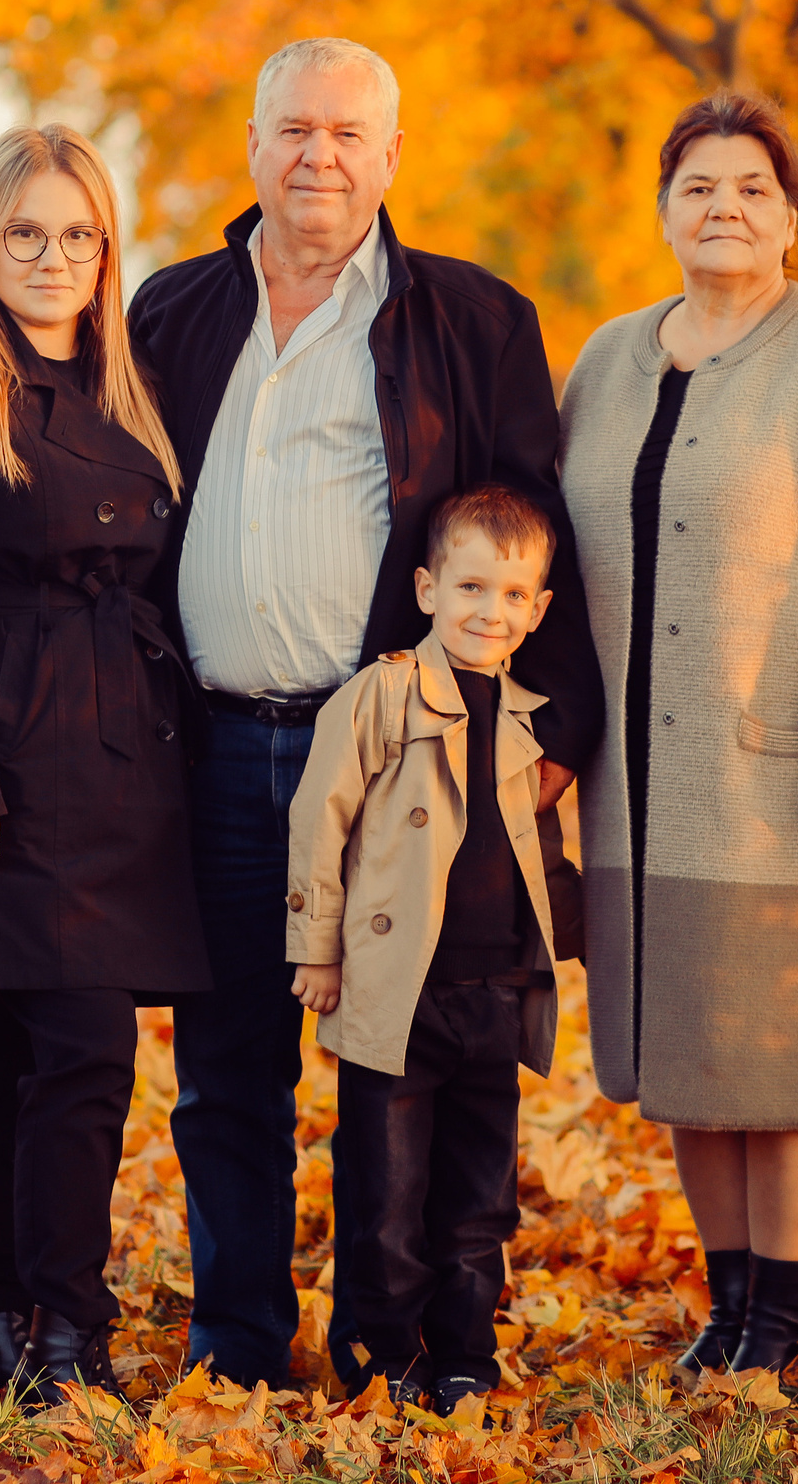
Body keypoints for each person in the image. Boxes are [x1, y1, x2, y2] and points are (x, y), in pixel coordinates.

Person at [127, 36, 603, 1387]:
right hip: (214, 747)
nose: (318, 156)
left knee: (414, 1060)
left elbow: (538, 527)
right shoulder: (171, 310)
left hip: (410, 768)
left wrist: (553, 735)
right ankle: (239, 1337)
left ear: (393, 157)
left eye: (347, 134)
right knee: (228, 1066)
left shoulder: (473, 319)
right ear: (255, 147)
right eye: (294, 130)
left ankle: (414, 1339)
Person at [557, 88, 798, 1375]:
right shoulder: (606, 357)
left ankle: (779, 1316)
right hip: (636, 780)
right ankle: (725, 1306)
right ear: (664, 209)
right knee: (684, 1044)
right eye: (699, 187)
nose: (725, 208)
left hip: (786, 774)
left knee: (787, 1054)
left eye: (752, 188)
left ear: (789, 217)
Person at [0, 123, 209, 1404]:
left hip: (130, 753)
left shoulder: (132, 381)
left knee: (24, 1045)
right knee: (81, 1047)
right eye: (26, 232)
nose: (53, 256)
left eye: (77, 233)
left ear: (107, 246)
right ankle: (66, 1328)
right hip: (8, 752)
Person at [285, 485, 584, 1414]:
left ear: (536, 611)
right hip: (395, 992)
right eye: (469, 587)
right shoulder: (382, 695)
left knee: (478, 1193)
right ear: (426, 589)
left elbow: (544, 853)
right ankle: (381, 1353)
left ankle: (463, 1350)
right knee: (386, 1190)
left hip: (494, 991)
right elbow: (317, 818)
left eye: (510, 595)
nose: (487, 612)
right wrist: (317, 947)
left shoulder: (535, 716)